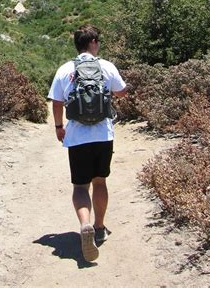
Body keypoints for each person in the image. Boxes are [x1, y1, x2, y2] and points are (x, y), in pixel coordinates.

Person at [48, 24, 127, 262]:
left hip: (77, 137)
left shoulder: (65, 69)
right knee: (100, 181)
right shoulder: (106, 66)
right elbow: (122, 92)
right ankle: (100, 226)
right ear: (92, 42)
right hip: (103, 135)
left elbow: (57, 101)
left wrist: (59, 127)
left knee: (81, 187)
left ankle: (84, 225)